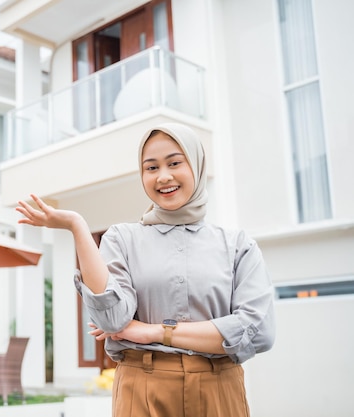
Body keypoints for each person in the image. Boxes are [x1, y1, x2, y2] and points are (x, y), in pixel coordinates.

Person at [16, 122, 276, 417]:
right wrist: (77, 226)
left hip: (219, 388)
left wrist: (151, 332)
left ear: (197, 165)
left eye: (175, 163)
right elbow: (114, 320)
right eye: (151, 168)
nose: (163, 177)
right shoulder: (122, 239)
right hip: (141, 389)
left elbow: (258, 332)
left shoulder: (237, 245)